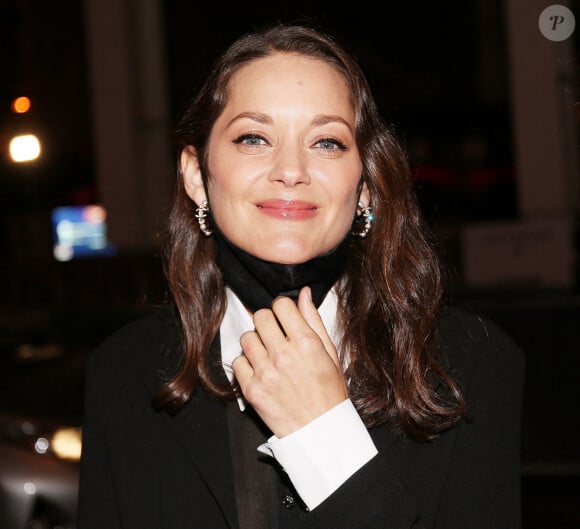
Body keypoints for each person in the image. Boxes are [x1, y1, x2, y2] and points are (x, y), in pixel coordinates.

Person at [77, 23, 525, 529]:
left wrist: (325, 439)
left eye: (327, 143)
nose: (291, 169)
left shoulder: (472, 364)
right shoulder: (123, 374)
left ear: (366, 189)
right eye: (253, 138)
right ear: (197, 176)